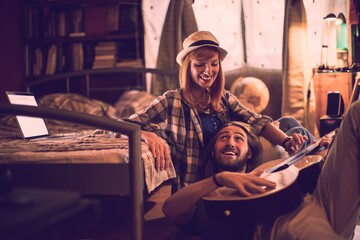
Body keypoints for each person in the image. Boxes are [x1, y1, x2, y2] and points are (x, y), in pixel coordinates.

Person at [127, 30, 313, 191]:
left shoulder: (223, 98)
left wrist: (287, 142)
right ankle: (313, 182)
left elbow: (256, 121)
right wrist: (146, 134)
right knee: (299, 132)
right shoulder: (172, 101)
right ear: (187, 67)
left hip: (237, 165)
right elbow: (121, 127)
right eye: (200, 64)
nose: (208, 70)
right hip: (204, 183)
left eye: (214, 64)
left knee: (292, 127)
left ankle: (315, 178)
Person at [162, 100, 360, 239]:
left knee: (355, 112)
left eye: (238, 138)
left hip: (318, 202)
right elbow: (170, 208)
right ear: (212, 152)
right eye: (223, 137)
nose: (230, 142)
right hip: (280, 226)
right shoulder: (209, 196)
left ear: (249, 153)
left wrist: (326, 149)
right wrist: (219, 179)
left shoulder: (266, 169)